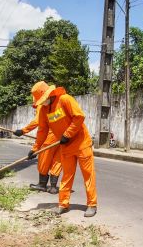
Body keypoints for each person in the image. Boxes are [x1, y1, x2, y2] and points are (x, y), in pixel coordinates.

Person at [29, 81, 97, 217]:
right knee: (66, 176)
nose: (42, 103)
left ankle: (92, 204)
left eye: (42, 100)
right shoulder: (44, 110)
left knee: (88, 175)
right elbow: (42, 131)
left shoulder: (65, 99)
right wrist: (35, 149)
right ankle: (63, 204)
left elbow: (79, 117)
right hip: (65, 146)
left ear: (49, 94)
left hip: (81, 144)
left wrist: (67, 134)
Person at [14, 82, 62, 193]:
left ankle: (42, 184)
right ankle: (53, 187)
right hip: (63, 137)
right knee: (57, 160)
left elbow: (38, 123)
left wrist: (23, 131)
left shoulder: (42, 106)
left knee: (44, 159)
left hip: (50, 136)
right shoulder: (58, 101)